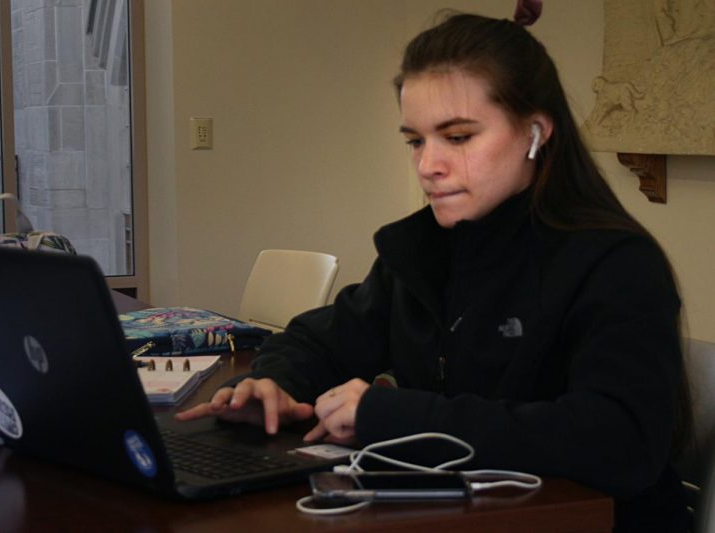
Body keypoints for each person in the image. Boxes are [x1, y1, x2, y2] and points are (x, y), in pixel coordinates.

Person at [177, 10, 691, 532]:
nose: (428, 165)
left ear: (535, 132)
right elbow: (319, 339)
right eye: (416, 141)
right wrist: (272, 385)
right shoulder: (425, 249)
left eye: (459, 137)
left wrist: (392, 414)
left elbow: (620, 441)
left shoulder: (616, 262)